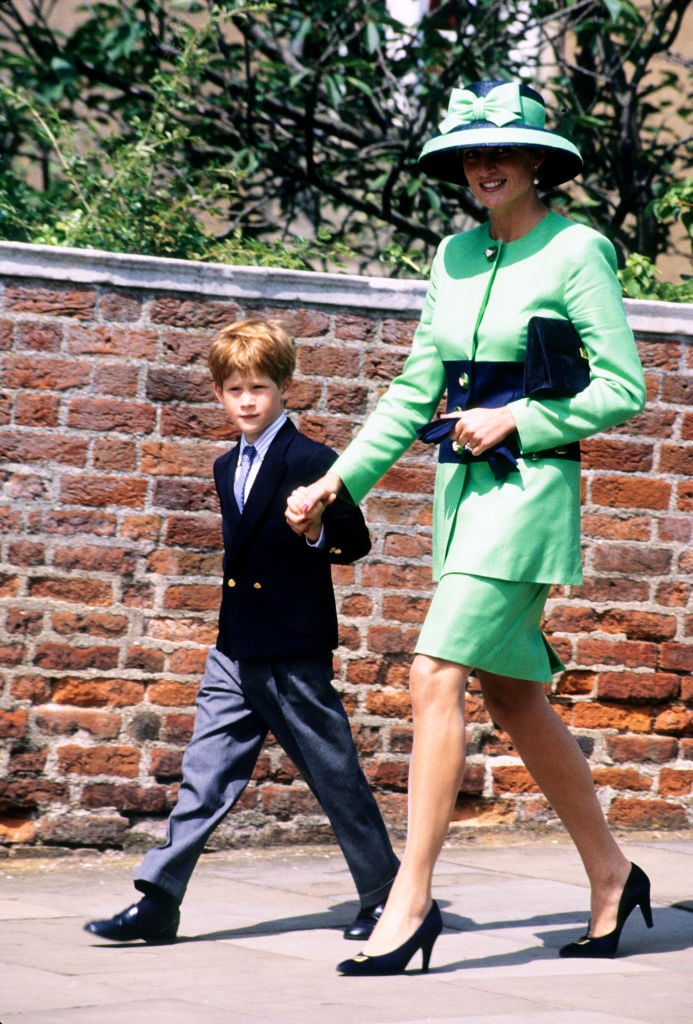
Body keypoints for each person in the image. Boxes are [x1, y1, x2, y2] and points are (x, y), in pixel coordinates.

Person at [286, 80, 650, 976]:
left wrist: (521, 415)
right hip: (461, 499)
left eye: (503, 152)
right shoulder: (450, 256)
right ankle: (612, 874)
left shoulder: (577, 250)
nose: (485, 166)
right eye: (470, 155)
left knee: (432, 671)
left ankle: (408, 903)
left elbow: (621, 387)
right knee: (515, 696)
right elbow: (415, 389)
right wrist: (336, 478)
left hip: (526, 498)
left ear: (535, 162)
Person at [85, 317, 399, 945]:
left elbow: (354, 541)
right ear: (220, 394)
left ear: (284, 386)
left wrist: (314, 529)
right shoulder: (226, 464)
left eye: (259, 387)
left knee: (334, 776)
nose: (248, 401)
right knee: (203, 775)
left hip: (290, 649)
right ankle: (159, 899)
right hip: (234, 648)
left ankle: (387, 895)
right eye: (235, 390)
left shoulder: (313, 459)